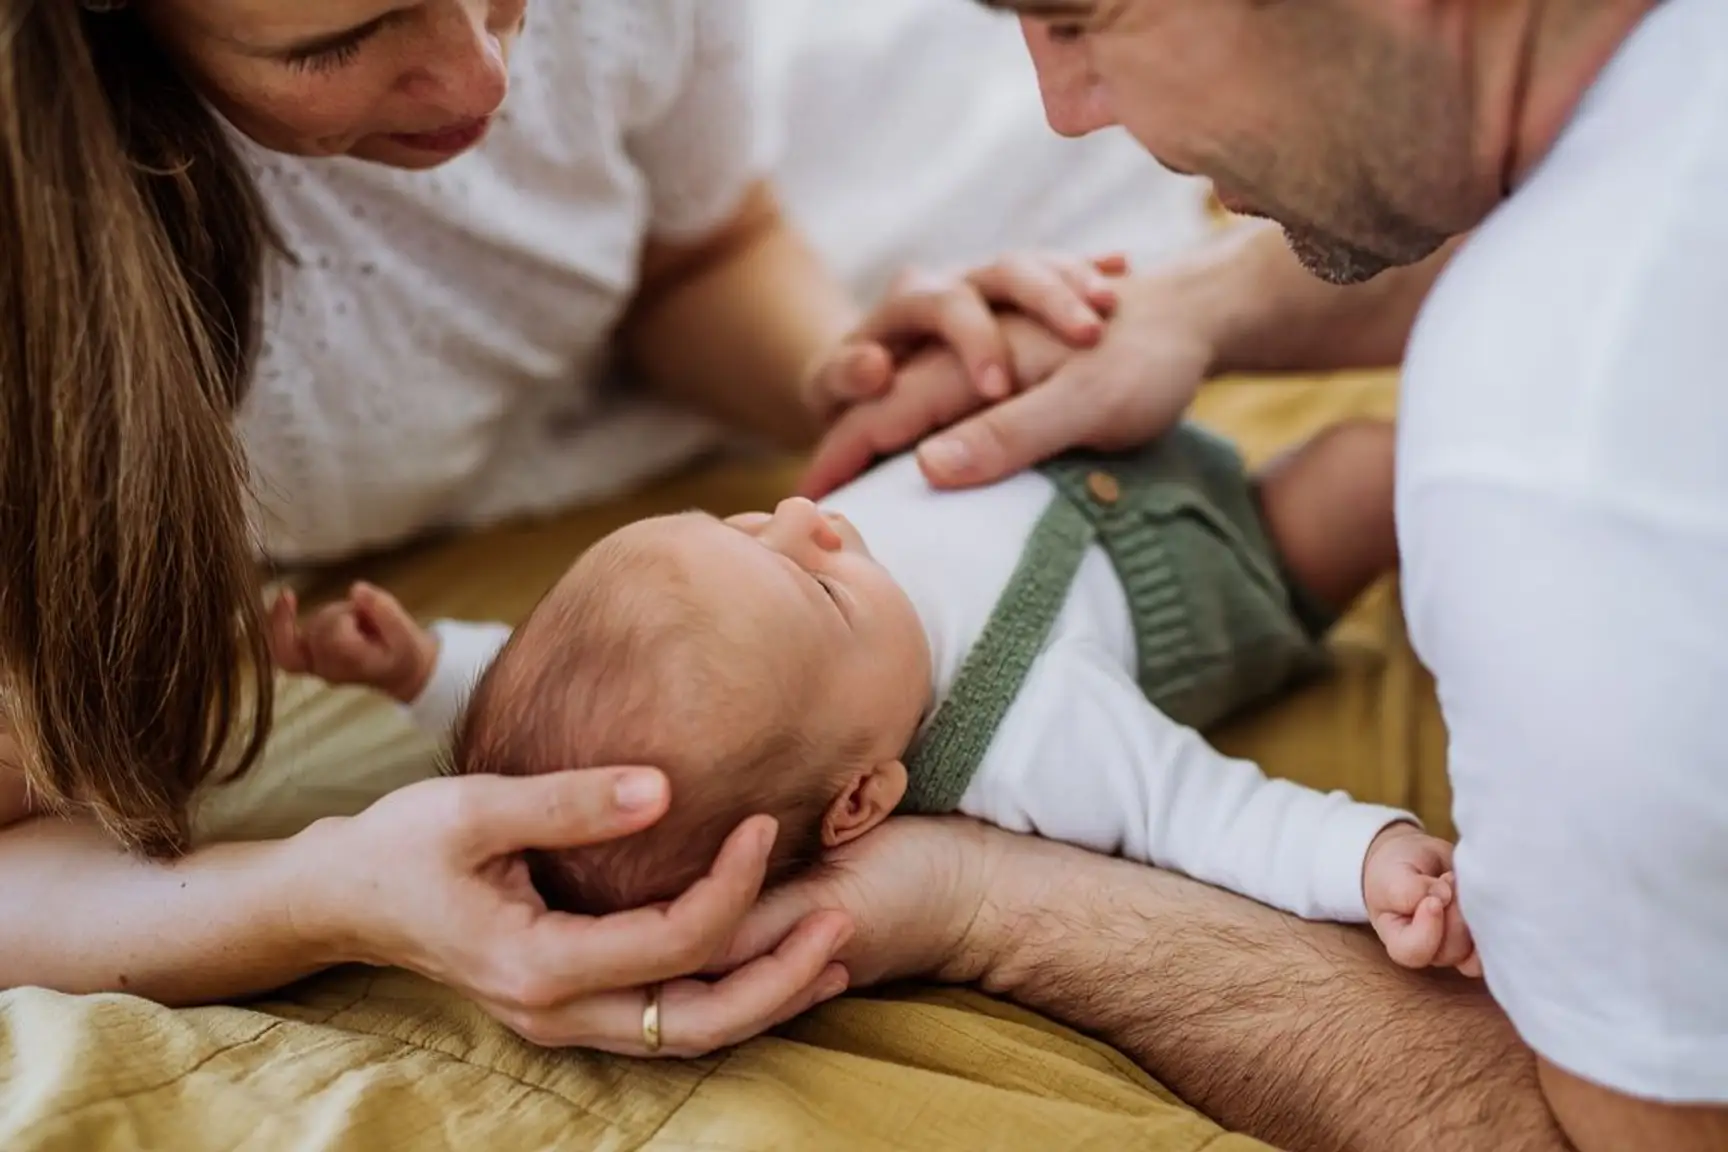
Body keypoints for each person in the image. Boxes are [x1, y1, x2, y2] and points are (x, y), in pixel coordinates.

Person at [0, 0, 1117, 1057]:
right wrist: (324, 894)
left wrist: (841, 384)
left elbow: (697, 254)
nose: (484, 71)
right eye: (336, 40)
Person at [770, 0, 1728, 1148]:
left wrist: (986, 903)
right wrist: (1193, 306)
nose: (1066, 112)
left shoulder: (1548, 477)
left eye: (1079, 17)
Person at [266, 420, 1479, 973]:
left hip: (1066, 439)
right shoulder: (1027, 740)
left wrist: (423, 670)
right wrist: (1365, 856)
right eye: (819, 587)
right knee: (1376, 468)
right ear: (863, 800)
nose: (806, 515)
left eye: (746, 525)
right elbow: (1202, 812)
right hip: (1218, 558)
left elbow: (572, 754)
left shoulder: (797, 638)